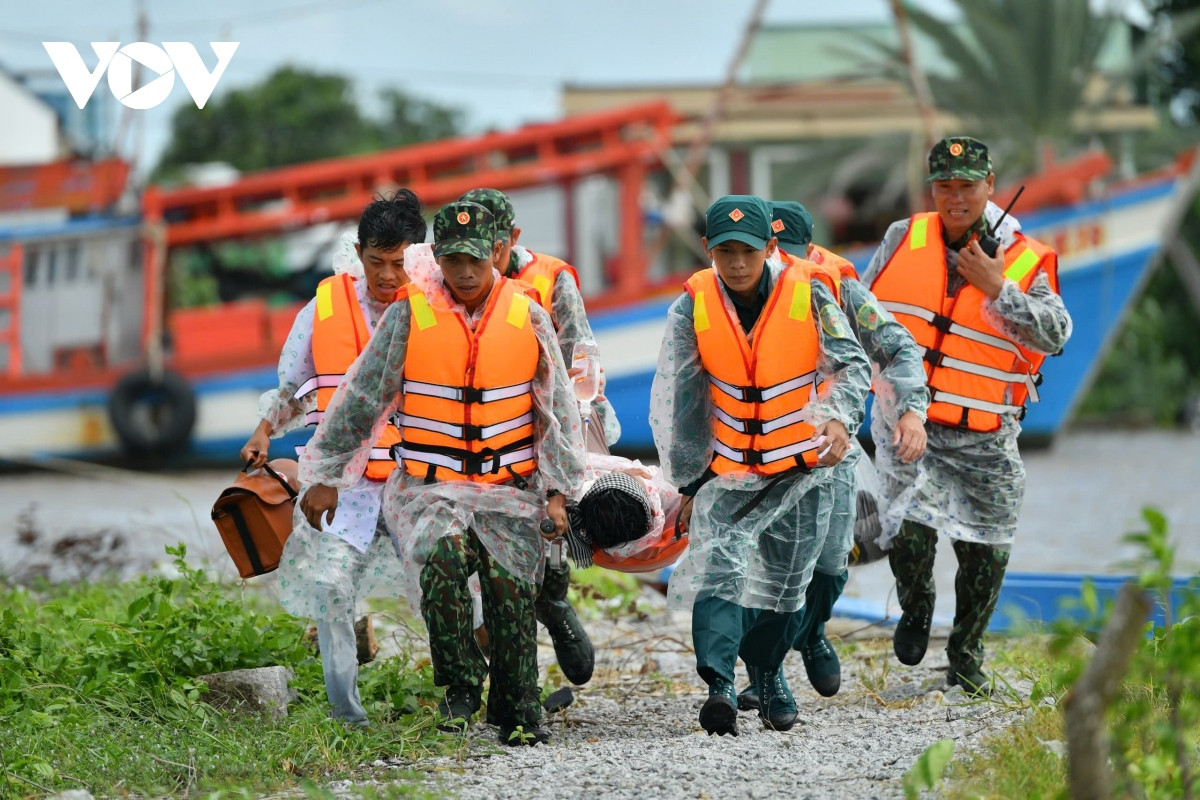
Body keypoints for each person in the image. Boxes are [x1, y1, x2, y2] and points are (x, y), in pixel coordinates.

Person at [297, 200, 586, 746]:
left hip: (507, 489)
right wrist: (326, 472)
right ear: (438, 259)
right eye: (453, 260)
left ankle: (517, 707)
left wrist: (558, 492)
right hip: (430, 491)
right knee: (444, 561)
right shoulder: (411, 312)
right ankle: (458, 687)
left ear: (496, 255)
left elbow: (557, 412)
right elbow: (362, 397)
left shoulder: (527, 313)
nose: (466, 272)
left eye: (476, 259)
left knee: (507, 594)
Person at [651, 195, 871, 736]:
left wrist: (840, 419)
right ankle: (719, 686)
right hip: (730, 471)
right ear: (708, 251)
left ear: (771, 248)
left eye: (748, 251)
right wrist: (690, 480)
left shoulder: (813, 292)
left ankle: (769, 675)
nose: (737, 264)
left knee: (784, 588)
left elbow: (851, 363)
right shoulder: (692, 307)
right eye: (725, 252)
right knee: (720, 569)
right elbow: (682, 395)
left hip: (800, 468)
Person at [863, 137, 1072, 695]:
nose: (955, 197)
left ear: (990, 186)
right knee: (906, 535)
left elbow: (1056, 335)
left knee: (987, 549)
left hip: (986, 434)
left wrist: (999, 289)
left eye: (967, 186)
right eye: (945, 186)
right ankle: (916, 604)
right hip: (910, 423)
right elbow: (863, 311)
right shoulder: (901, 238)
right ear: (933, 188)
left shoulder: (1025, 258)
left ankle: (966, 655)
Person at [239, 191, 428, 726]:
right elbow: (296, 387)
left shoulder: (437, 308)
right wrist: (263, 430)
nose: (388, 276)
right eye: (376, 262)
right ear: (360, 252)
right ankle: (347, 713)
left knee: (446, 582)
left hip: (418, 478)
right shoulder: (322, 307)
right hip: (343, 486)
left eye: (399, 263)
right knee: (331, 585)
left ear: (417, 256)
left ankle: (470, 693)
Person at [736, 201, 930, 706]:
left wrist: (910, 410)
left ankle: (814, 631)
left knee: (830, 564)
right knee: (763, 570)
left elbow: (898, 347)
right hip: (754, 456)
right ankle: (764, 674)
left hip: (829, 450)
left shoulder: (835, 287)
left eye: (787, 256)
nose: (779, 269)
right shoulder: (726, 293)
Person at [456, 187, 616, 686]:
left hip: (540, 428)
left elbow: (579, 355)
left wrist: (574, 429)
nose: (487, 259)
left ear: (512, 240)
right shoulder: (450, 280)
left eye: (496, 246)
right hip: (471, 438)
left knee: (546, 540)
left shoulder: (551, 279)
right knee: (476, 559)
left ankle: (554, 602)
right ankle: (499, 683)